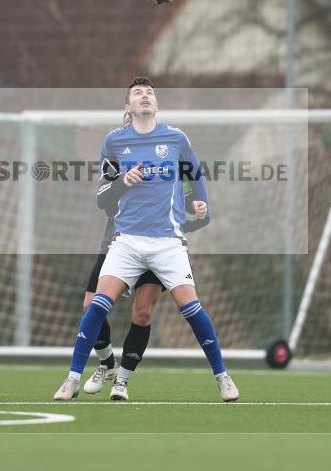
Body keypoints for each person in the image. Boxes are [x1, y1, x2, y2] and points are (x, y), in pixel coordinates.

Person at [54, 77, 238, 402]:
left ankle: (222, 376)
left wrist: (200, 204)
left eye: (150, 92)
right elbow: (103, 197)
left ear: (156, 104)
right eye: (138, 92)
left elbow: (194, 175)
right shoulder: (114, 142)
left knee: (190, 308)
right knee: (96, 304)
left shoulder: (176, 138)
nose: (145, 95)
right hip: (126, 240)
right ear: (128, 106)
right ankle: (72, 379)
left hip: (168, 243)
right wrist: (123, 181)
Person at [85, 129, 210, 400]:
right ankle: (106, 363)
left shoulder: (174, 159)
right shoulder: (117, 149)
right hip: (118, 241)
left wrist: (197, 211)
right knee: (90, 305)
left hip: (159, 245)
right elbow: (103, 201)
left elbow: (193, 204)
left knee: (142, 312)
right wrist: (123, 182)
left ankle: (122, 381)